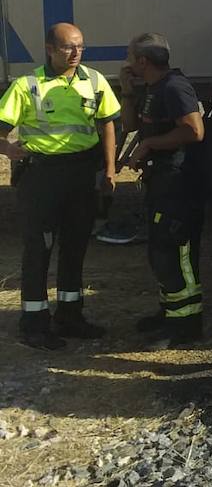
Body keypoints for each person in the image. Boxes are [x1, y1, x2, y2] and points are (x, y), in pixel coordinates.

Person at [0, 23, 121, 349]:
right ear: (50, 49)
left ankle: (70, 315)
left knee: (75, 246)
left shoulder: (94, 81)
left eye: (80, 46)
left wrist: (110, 170)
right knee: (39, 248)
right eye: (68, 47)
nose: (75, 53)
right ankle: (34, 322)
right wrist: (7, 148)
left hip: (81, 174)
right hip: (42, 177)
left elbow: (107, 124)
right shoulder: (27, 85)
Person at [124, 32, 207, 350]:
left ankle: (186, 325)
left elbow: (193, 129)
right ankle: (169, 312)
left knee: (177, 252)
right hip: (161, 183)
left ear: (142, 60)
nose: (129, 63)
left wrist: (149, 144)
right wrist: (129, 93)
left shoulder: (175, 87)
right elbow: (130, 125)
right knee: (160, 251)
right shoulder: (151, 89)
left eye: (131, 57)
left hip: (179, 185)